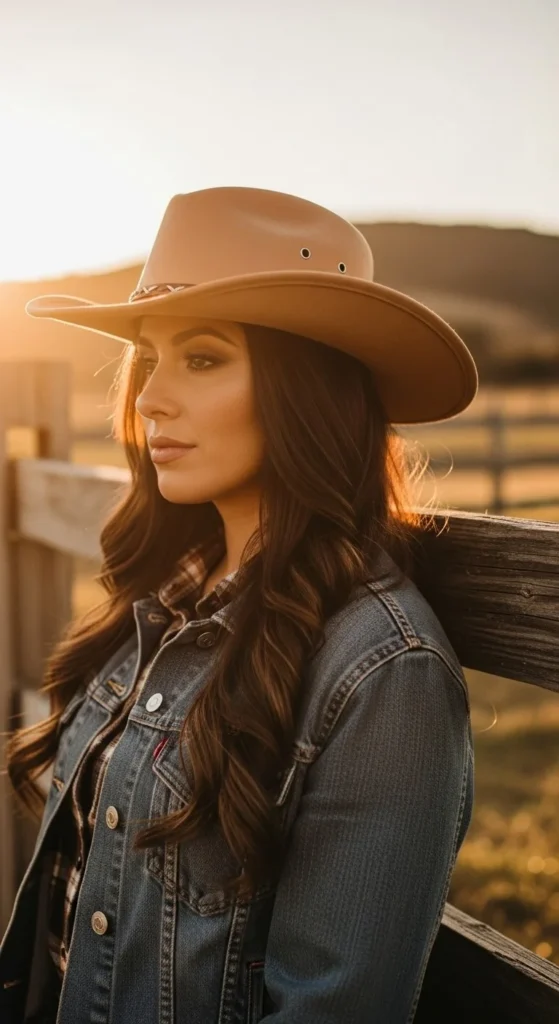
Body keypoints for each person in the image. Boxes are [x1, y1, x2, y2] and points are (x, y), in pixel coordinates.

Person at [0, 185, 478, 1023]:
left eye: (203, 358)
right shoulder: (160, 600)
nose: (148, 398)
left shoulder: (383, 672)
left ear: (306, 387)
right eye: (149, 358)